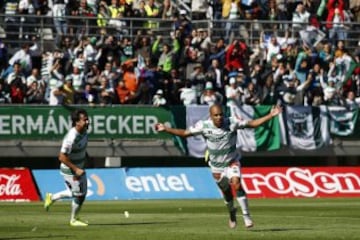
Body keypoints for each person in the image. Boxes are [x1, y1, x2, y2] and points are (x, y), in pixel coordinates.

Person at [155, 104, 282, 229]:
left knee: (237, 183)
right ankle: (232, 213)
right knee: (227, 194)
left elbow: (253, 124)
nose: (219, 117)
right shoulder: (204, 126)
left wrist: (271, 115)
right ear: (210, 116)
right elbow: (185, 133)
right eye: (216, 115)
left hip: (232, 162)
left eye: (221, 114)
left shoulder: (232, 122)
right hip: (216, 167)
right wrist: (166, 129)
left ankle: (246, 216)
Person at [44, 108, 90, 227]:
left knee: (77, 193)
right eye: (85, 120)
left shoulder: (85, 131)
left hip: (79, 166)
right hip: (70, 170)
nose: (88, 121)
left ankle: (52, 197)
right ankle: (73, 220)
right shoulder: (71, 137)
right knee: (79, 195)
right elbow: (62, 157)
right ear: (77, 122)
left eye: (87, 119)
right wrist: (76, 169)